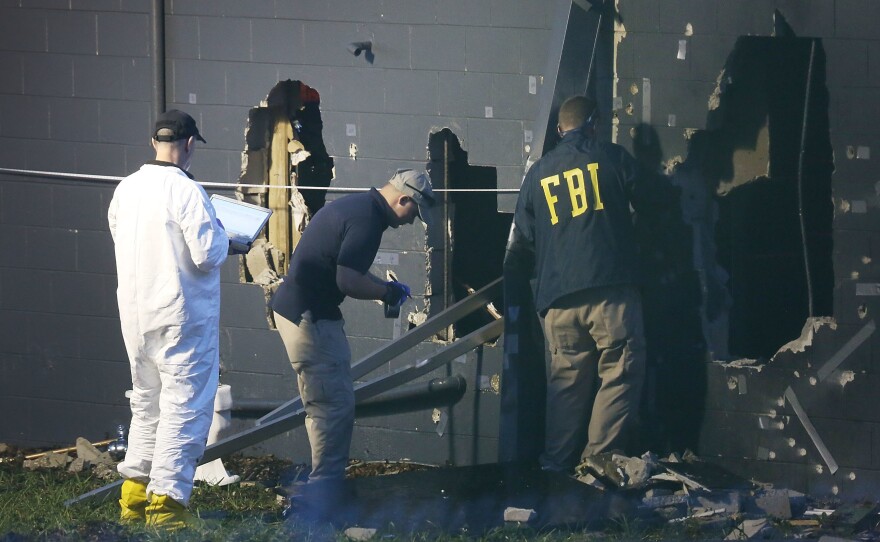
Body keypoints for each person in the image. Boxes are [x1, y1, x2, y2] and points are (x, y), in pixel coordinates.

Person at [506, 96, 660, 472]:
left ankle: (555, 467)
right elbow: (652, 201)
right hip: (610, 291)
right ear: (594, 123)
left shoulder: (538, 173)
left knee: (565, 386)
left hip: (557, 300)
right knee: (619, 374)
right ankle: (596, 467)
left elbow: (524, 237)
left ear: (560, 131)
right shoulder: (612, 157)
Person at [271, 168, 435, 487]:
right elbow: (347, 281)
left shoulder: (357, 206)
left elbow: (347, 269)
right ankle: (324, 491)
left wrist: (382, 286)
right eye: (414, 212)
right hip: (309, 317)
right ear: (403, 199)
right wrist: (386, 292)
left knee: (329, 401)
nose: (411, 221)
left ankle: (324, 485)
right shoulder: (368, 222)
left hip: (301, 310)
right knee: (333, 406)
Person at [108, 109, 231, 529]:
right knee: (184, 408)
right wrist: (227, 235)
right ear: (191, 143)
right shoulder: (186, 190)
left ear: (152, 142)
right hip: (181, 318)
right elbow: (208, 253)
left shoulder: (125, 189)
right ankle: (167, 507)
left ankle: (134, 498)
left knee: (146, 405)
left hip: (135, 317)